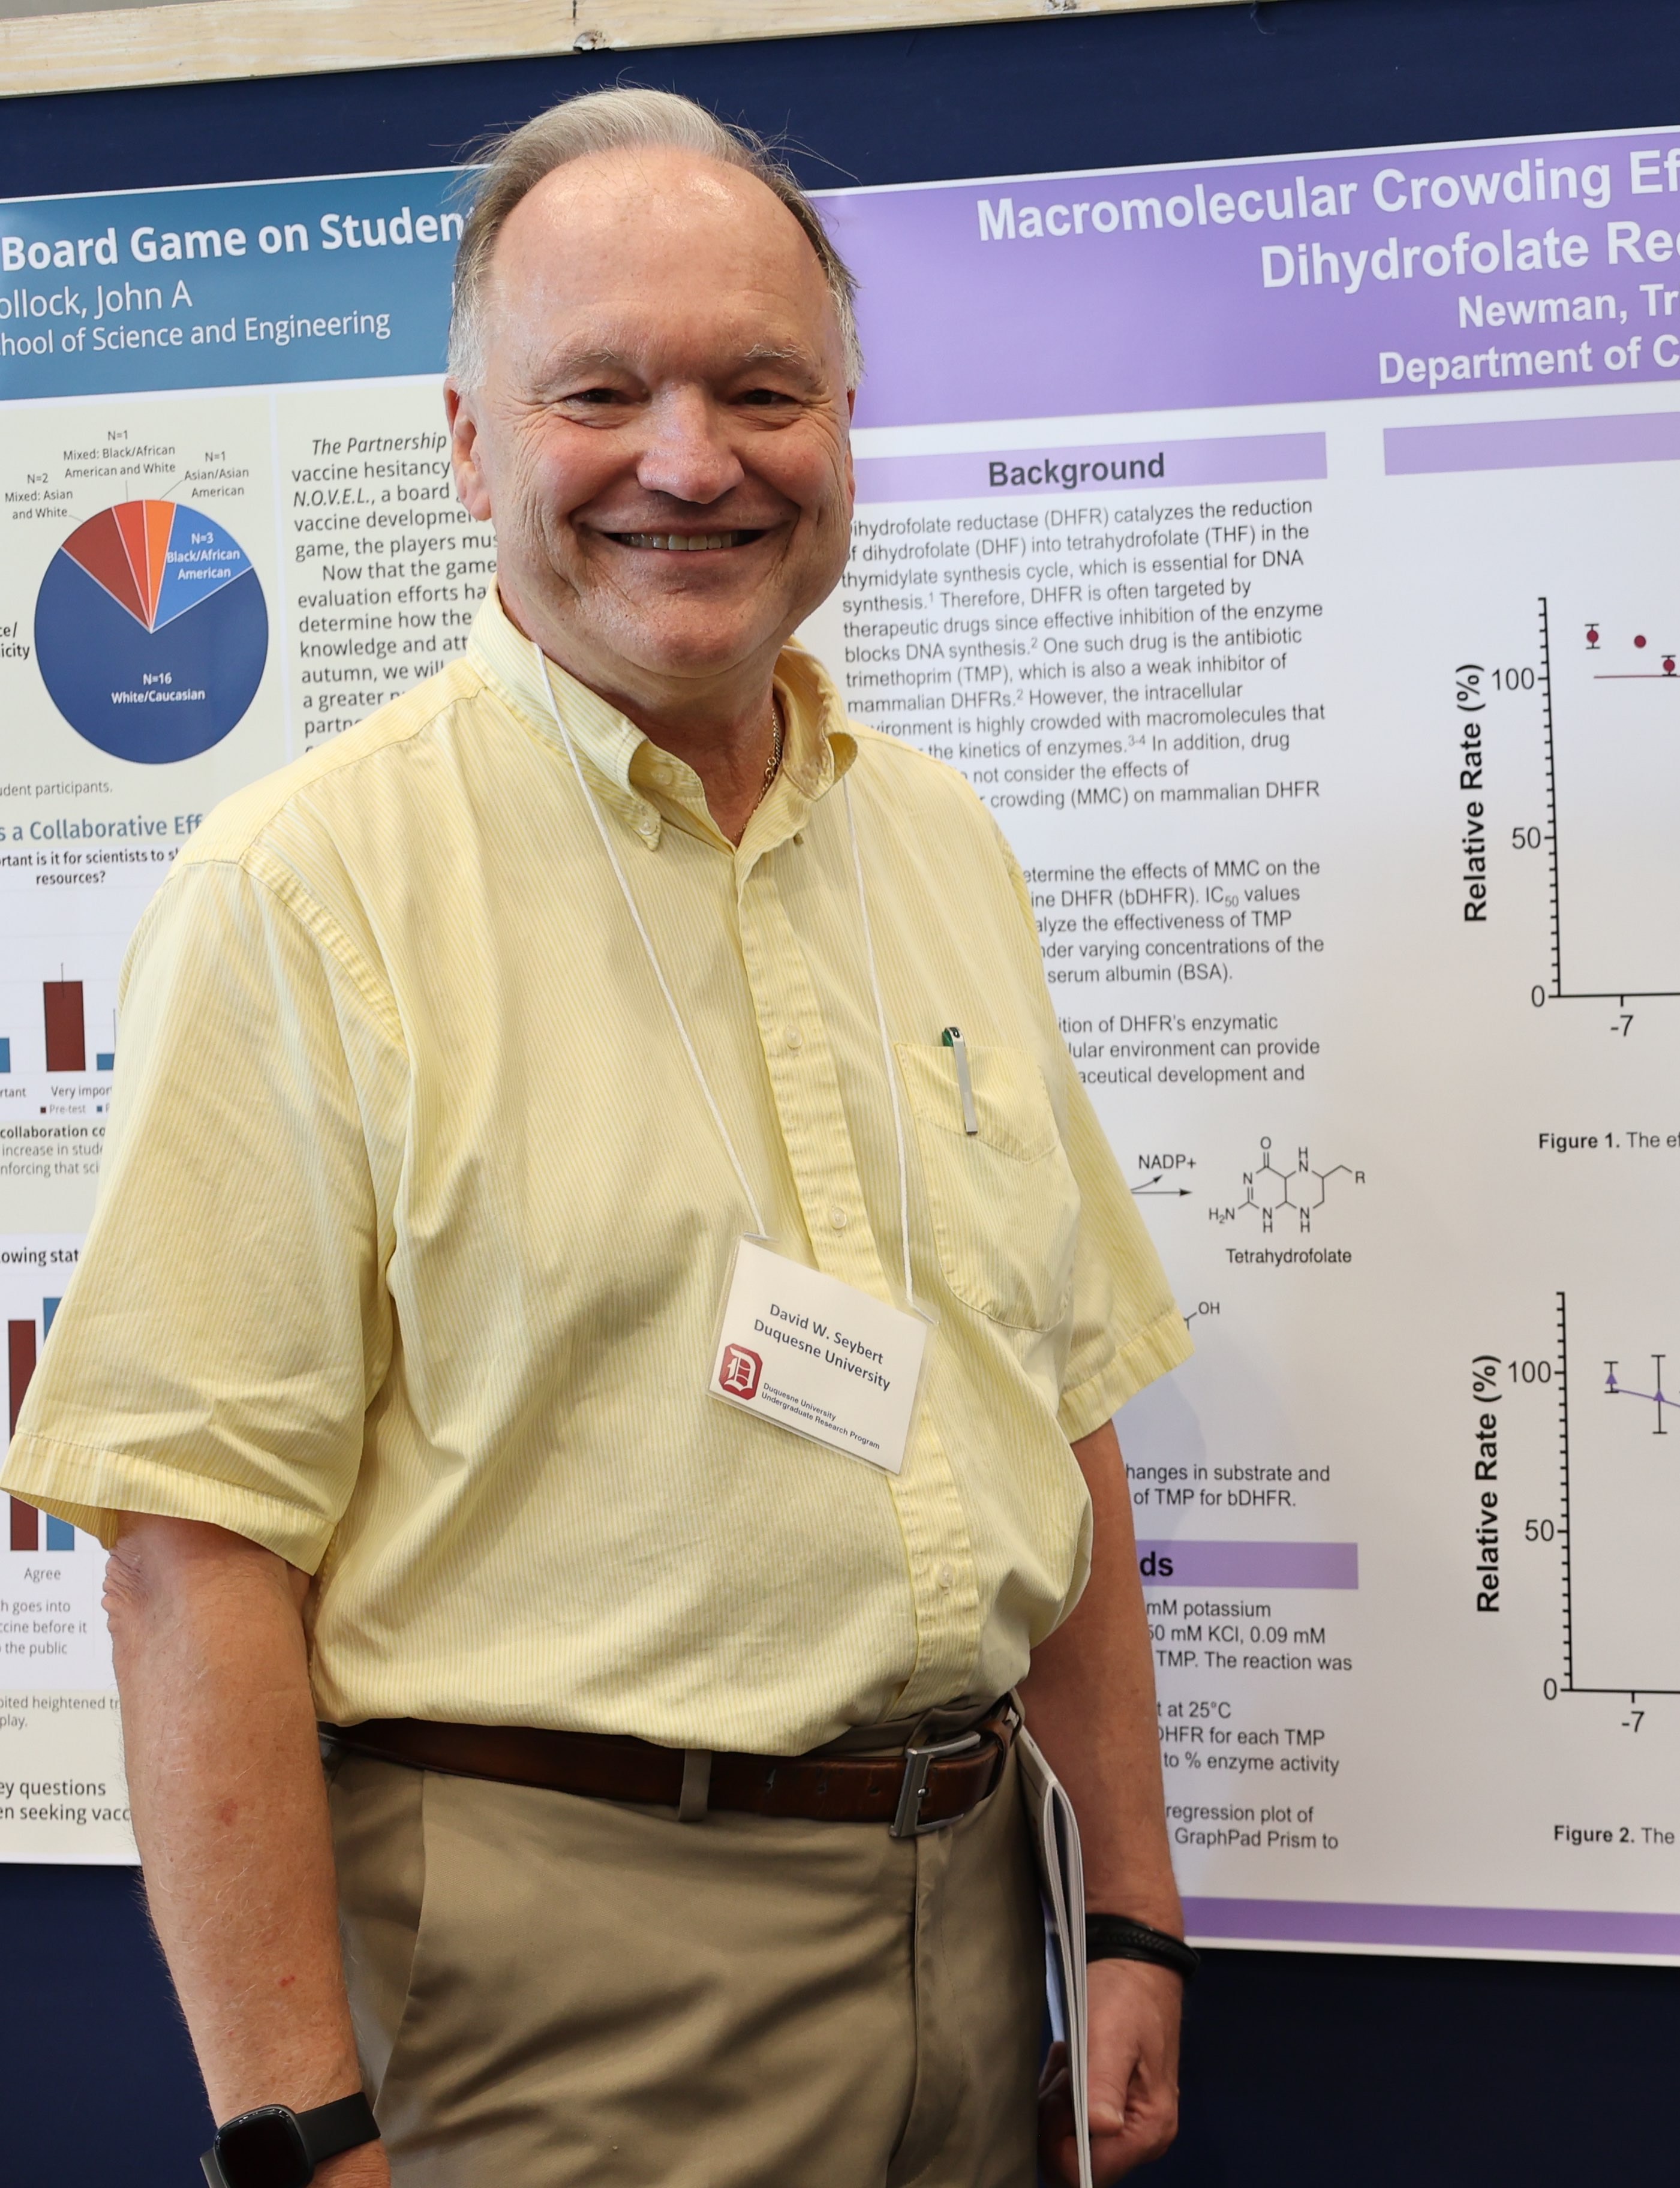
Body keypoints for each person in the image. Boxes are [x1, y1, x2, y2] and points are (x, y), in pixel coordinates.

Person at [1, 89, 1193, 2187]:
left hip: (979, 1909)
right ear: (468, 444)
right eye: (600, 392)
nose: (688, 460)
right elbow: (191, 1564)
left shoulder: (939, 843)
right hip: (561, 1971)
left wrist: (1129, 1917)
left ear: (846, 425)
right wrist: (298, 2132)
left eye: (761, 389)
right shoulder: (308, 888)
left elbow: (1058, 1396)